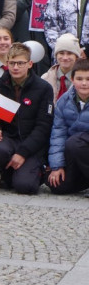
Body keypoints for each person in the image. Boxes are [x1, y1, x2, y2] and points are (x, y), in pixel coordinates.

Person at [0, 42, 53, 194]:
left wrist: (22, 153)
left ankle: (32, 171)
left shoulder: (43, 88)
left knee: (25, 187)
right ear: (7, 63)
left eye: (20, 63)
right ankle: (8, 170)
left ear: (29, 64)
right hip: (8, 139)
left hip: (31, 144)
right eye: (12, 63)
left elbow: (43, 126)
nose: (15, 67)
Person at [47, 58, 89, 194]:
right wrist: (57, 166)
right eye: (80, 78)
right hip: (75, 154)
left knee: (75, 143)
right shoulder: (63, 101)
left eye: (88, 79)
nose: (84, 83)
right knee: (57, 186)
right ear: (72, 79)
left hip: (80, 146)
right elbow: (58, 134)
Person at [42, 33, 83, 102]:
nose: (65, 58)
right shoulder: (45, 79)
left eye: (69, 53)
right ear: (56, 55)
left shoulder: (85, 80)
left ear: (76, 56)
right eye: (61, 53)